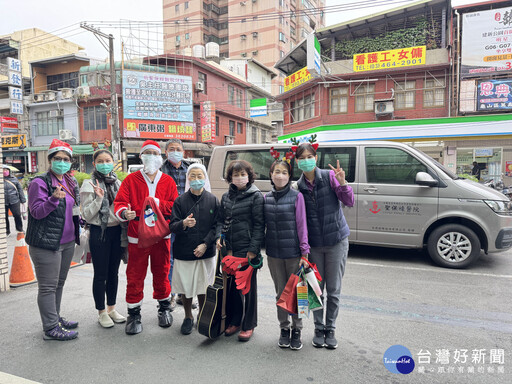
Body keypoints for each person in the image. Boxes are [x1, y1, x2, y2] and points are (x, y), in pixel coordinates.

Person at [114, 140, 178, 335]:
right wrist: (125, 213)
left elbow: (175, 206)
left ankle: (164, 307)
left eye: (154, 153)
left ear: (160, 157)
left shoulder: (168, 181)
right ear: (141, 156)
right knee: (135, 274)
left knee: (162, 271)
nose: (151, 156)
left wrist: (157, 204)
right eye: (147, 152)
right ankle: (134, 313)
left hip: (161, 235)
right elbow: (120, 203)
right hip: (137, 235)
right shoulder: (131, 180)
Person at [295, 142, 354, 349]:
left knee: (334, 288)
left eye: (309, 157)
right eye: (301, 158)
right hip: (314, 246)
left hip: (336, 241)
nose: (306, 161)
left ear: (316, 158)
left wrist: (343, 183)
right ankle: (318, 328)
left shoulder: (330, 177)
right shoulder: (298, 187)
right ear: (297, 162)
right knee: (316, 288)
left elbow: (349, 201)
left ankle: (331, 328)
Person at [26, 139, 81, 341]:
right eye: (58, 158)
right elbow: (36, 212)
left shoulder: (69, 181)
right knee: (48, 287)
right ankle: (50, 328)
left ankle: (55, 318)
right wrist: (53, 200)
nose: (62, 162)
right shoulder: (40, 183)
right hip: (46, 244)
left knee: (59, 283)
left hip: (66, 242)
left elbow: (73, 209)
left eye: (66, 159)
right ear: (50, 160)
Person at [264, 157, 310, 350]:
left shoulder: (297, 196)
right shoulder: (265, 198)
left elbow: (302, 226)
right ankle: (284, 328)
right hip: (274, 254)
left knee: (298, 293)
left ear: (289, 176)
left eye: (284, 172)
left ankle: (297, 329)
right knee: (280, 294)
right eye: (277, 172)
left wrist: (304, 253)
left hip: (293, 254)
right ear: (271, 175)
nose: (280, 176)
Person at [216, 160, 264, 341]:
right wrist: (220, 237)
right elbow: (221, 220)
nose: (239, 178)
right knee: (233, 288)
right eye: (235, 175)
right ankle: (235, 321)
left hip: (247, 250)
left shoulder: (256, 196)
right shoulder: (226, 197)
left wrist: (253, 250)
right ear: (230, 178)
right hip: (230, 249)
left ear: (249, 176)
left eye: (243, 174)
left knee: (248, 289)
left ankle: (249, 324)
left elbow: (260, 225)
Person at [169, 163, 219, 335]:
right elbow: (172, 226)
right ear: (188, 179)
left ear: (204, 178)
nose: (196, 179)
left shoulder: (212, 199)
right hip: (184, 252)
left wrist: (205, 244)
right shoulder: (180, 201)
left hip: (206, 251)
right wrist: (183, 223)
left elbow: (217, 226)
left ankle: (203, 315)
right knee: (186, 287)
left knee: (204, 286)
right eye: (193, 176)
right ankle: (188, 316)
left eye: (200, 176)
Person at [80, 150, 127, 328]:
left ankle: (112, 308)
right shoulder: (89, 184)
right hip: (99, 232)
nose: (104, 163)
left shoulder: (119, 183)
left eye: (108, 160)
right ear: (94, 163)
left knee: (114, 273)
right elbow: (86, 215)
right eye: (100, 161)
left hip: (117, 232)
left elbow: (122, 207)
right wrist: (99, 199)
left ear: (113, 162)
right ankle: (101, 312)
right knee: (100, 274)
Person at [161, 139, 193, 310]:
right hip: (168, 220)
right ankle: (171, 295)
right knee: (171, 259)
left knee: (187, 258)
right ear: (166, 152)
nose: (175, 152)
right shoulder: (160, 170)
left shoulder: (190, 169)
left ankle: (184, 295)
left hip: (188, 220)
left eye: (178, 149)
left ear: (183, 151)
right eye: (171, 149)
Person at [3, 165, 26, 236]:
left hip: (14, 200)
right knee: (4, 217)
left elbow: (20, 189)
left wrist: (22, 200)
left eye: (6, 170)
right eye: (3, 170)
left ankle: (19, 228)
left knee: (17, 215)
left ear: (9, 171)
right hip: (3, 201)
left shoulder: (14, 179)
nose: (5, 171)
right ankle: (6, 231)